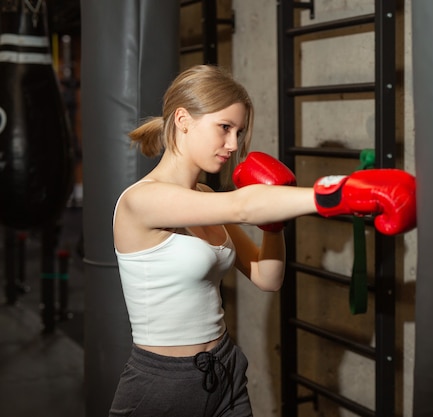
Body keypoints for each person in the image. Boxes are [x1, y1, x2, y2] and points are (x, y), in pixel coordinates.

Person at [109, 64, 416, 417]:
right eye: (224, 128)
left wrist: (273, 226)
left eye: (238, 132)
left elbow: (266, 278)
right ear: (182, 119)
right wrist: (340, 193)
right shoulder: (141, 201)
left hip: (224, 369)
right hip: (162, 386)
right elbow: (243, 205)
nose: (233, 144)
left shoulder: (206, 195)